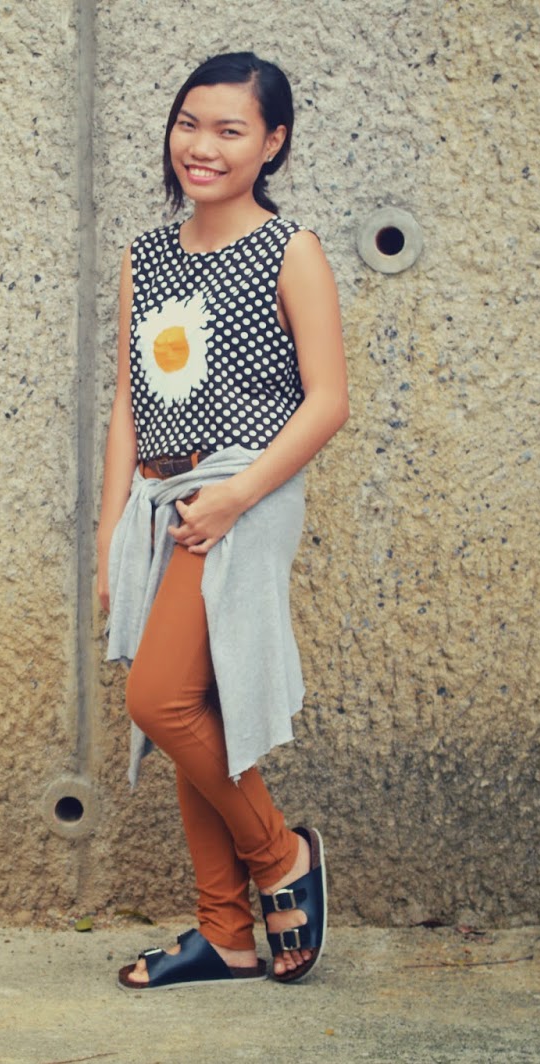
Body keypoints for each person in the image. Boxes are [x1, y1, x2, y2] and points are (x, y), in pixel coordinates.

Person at [98, 51, 349, 988]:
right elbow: (128, 404)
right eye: (188, 123)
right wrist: (111, 536)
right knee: (191, 708)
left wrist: (238, 496)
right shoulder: (146, 255)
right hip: (162, 502)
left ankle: (280, 856)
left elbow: (328, 402)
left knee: (158, 701)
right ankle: (227, 934)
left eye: (230, 130)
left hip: (245, 492)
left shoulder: (292, 250)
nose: (201, 146)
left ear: (272, 143)